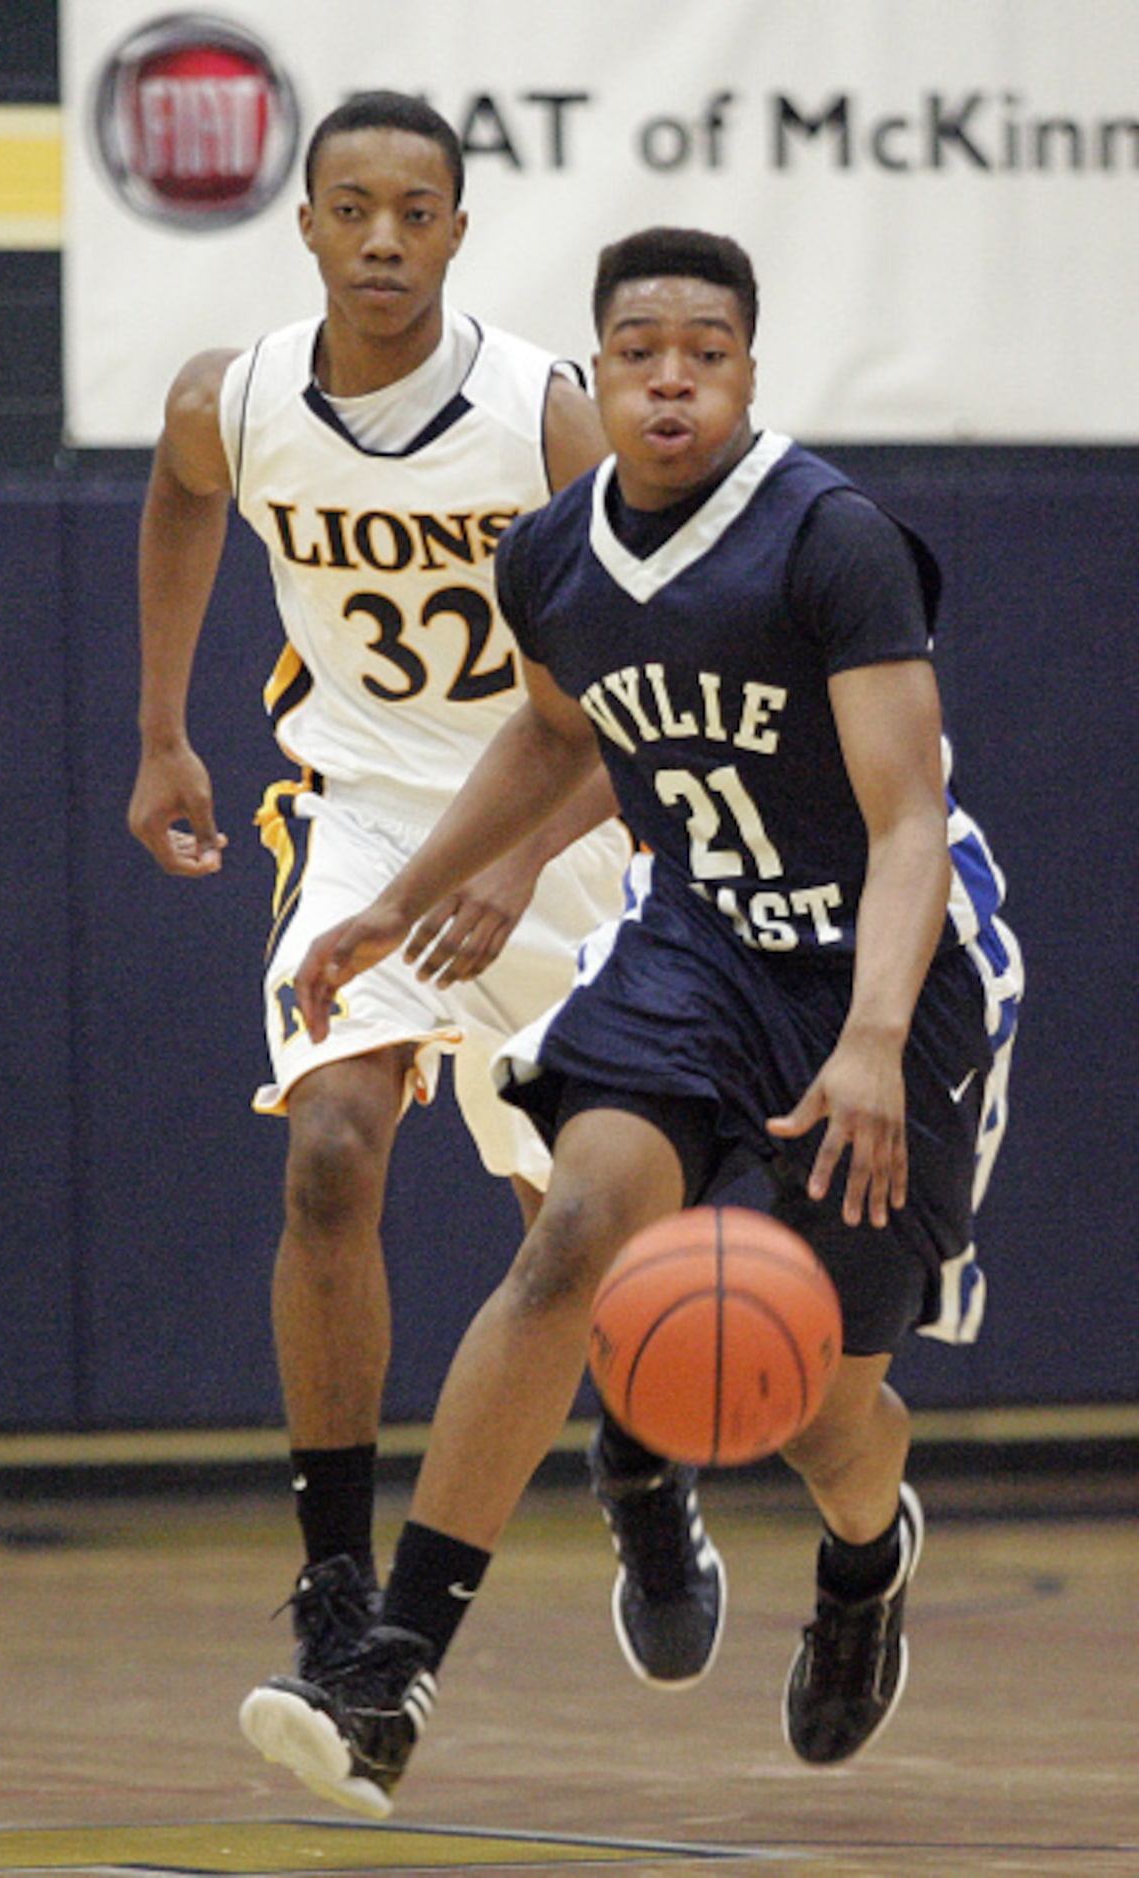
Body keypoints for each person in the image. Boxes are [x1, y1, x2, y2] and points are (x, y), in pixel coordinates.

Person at [287, 224, 1024, 1816]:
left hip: (878, 969)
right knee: (571, 1241)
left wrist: (878, 1039)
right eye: (641, 351)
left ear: (748, 371)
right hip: (696, 949)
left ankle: (861, 1562)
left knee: (824, 1408)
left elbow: (906, 824)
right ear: (602, 367)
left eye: (706, 350)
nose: (672, 377)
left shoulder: (832, 541)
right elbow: (558, 742)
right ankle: (388, 1669)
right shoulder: (552, 554)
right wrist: (395, 897)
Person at [126, 90, 633, 1791]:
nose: (386, 239)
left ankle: (643, 1468)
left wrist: (540, 849)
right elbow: (184, 491)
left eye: (418, 211)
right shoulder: (240, 394)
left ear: (461, 233)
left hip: (549, 831)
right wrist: (163, 728)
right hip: (356, 816)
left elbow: (626, 691)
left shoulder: (547, 414)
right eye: (354, 209)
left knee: (577, 1245)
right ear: (309, 225)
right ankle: (339, 1578)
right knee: (334, 1152)